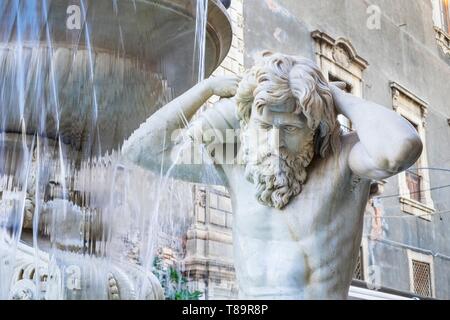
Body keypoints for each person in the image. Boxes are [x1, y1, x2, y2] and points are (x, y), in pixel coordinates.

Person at [122, 52, 422, 299]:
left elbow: (400, 148)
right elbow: (141, 150)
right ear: (249, 123)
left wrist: (333, 96)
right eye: (265, 127)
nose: (275, 144)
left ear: (314, 128)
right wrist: (207, 89)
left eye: (290, 129)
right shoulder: (239, 162)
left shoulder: (343, 161)